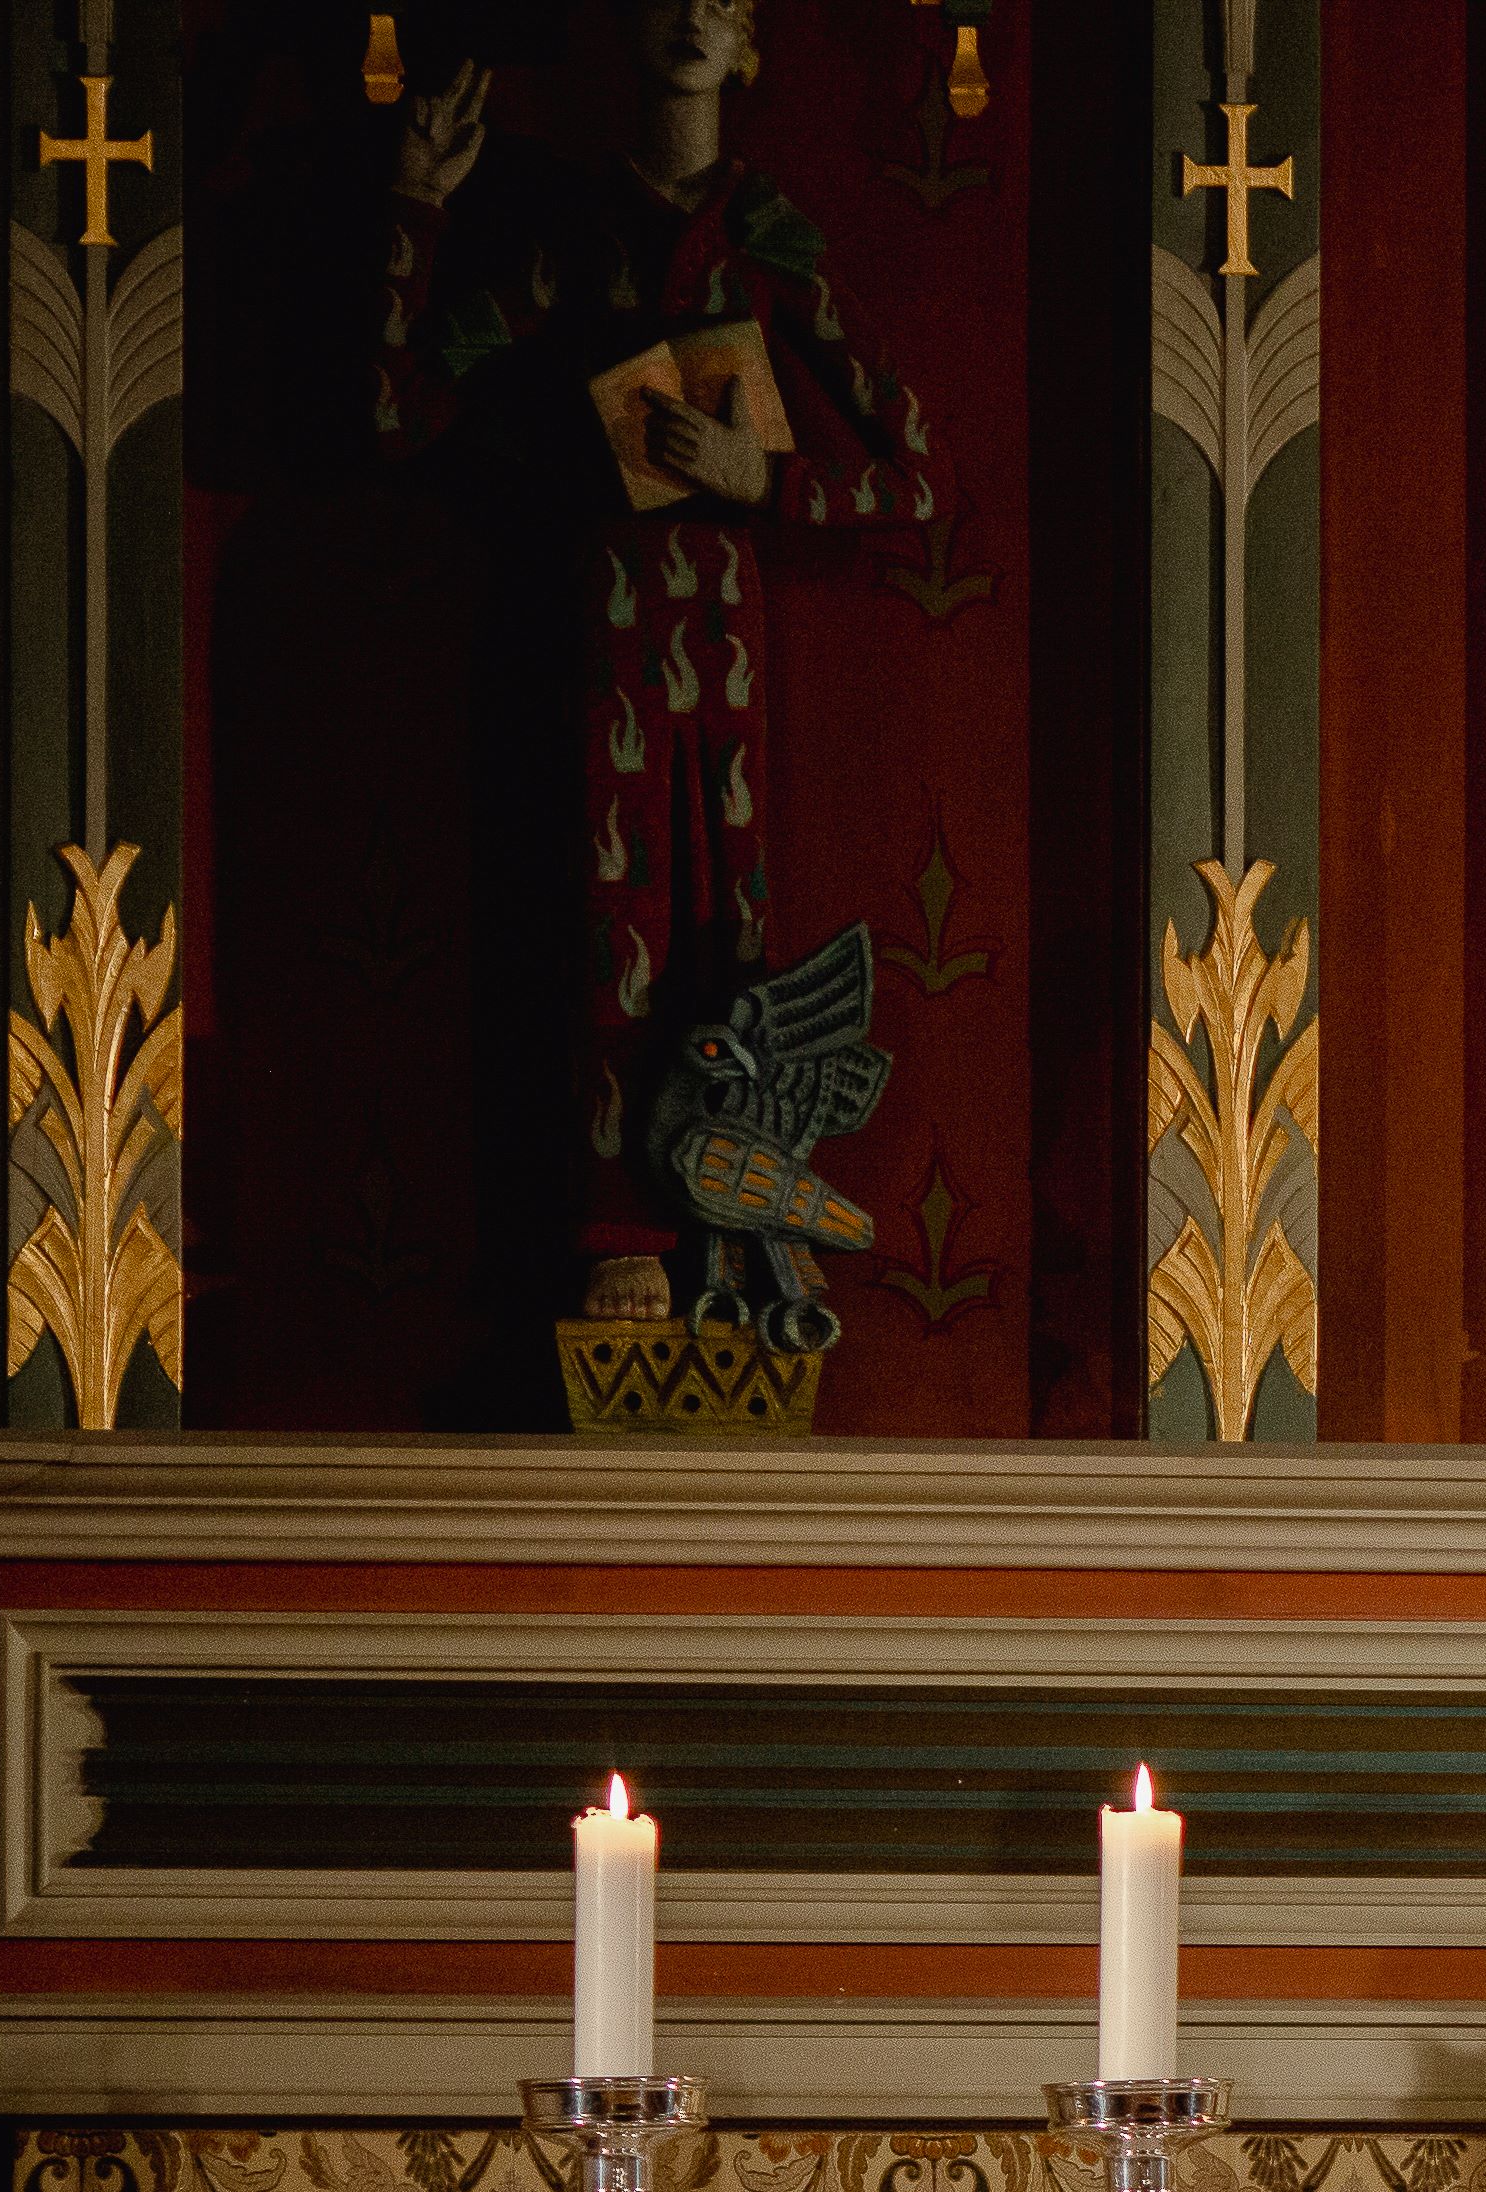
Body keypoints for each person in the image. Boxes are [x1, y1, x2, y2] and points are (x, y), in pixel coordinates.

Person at [382, 0, 944, 1331]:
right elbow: (397, 412)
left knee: (733, 938)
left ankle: (738, 1222)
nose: (692, 16)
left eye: (723, 1)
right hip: (611, 621)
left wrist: (766, 476)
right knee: (616, 923)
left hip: (727, 635)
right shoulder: (577, 237)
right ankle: (621, 1229)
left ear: (750, 42)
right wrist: (417, 206)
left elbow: (918, 475)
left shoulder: (768, 233)